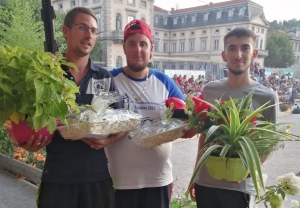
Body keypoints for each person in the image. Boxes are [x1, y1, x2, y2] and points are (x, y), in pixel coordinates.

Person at [15, 7, 124, 208]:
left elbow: (123, 124)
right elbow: (22, 119)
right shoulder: (46, 74)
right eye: (82, 27)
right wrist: (25, 142)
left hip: (97, 180)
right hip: (58, 179)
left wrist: (108, 140)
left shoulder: (104, 77)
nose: (89, 35)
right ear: (66, 31)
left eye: (93, 30)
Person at [106, 19, 196, 208]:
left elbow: (187, 123)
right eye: (132, 43)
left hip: (158, 180)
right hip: (119, 180)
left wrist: (197, 124)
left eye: (143, 44)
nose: (138, 49)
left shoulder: (165, 82)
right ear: (124, 48)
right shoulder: (109, 80)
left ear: (151, 49)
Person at [189, 27, 278, 208]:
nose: (238, 54)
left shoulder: (267, 97)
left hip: (240, 187)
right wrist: (195, 175)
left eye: (245, 48)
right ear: (223, 55)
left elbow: (269, 144)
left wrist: (247, 172)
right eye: (232, 48)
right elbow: (204, 136)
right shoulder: (209, 90)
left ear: (254, 54)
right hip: (206, 182)